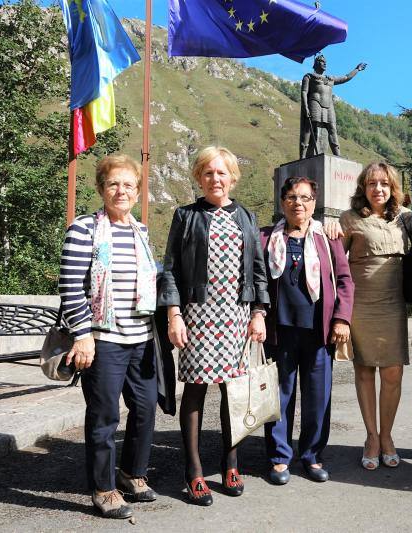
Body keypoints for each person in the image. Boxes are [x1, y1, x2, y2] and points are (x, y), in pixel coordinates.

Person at [159, 146, 269, 506]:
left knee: (233, 392)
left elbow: (257, 269)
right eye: (208, 173)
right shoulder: (186, 216)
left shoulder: (246, 217)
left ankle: (230, 464)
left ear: (232, 177)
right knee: (195, 390)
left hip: (237, 315)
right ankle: (193, 471)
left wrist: (258, 312)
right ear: (198, 177)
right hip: (198, 314)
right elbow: (171, 269)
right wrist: (174, 314)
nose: (215, 179)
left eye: (221, 173)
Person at [59, 154, 160, 519]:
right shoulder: (84, 229)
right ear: (101, 188)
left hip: (141, 338)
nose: (121, 190)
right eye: (114, 184)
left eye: (128, 185)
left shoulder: (141, 230)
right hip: (102, 341)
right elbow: (70, 287)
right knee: (104, 415)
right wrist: (82, 336)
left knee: (146, 407)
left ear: (137, 192)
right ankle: (104, 488)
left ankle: (132, 473)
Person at [259, 177, 354, 485]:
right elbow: (256, 281)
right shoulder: (265, 238)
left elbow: (344, 281)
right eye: (290, 197)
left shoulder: (328, 239)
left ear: (314, 202)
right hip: (280, 330)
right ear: (282, 202)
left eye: (304, 197)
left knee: (318, 397)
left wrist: (342, 318)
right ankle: (279, 457)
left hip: (318, 332)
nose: (297, 202)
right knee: (279, 396)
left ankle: (312, 455)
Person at [339, 162, 412, 470]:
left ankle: (387, 435)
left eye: (384, 184)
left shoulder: (404, 218)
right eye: (372, 184)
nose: (378, 189)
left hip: (393, 304)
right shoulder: (349, 219)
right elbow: (336, 261)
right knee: (364, 372)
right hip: (361, 305)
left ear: (392, 188)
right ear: (364, 187)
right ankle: (371, 436)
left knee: (392, 374)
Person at [299, 54, 366, 158]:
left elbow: (346, 77)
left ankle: (338, 155)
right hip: (315, 103)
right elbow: (304, 92)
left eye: (325, 62)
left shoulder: (331, 79)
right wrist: (305, 107)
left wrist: (357, 69)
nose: (325, 63)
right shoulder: (309, 77)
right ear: (316, 63)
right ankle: (302, 156)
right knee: (309, 128)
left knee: (332, 129)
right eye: (322, 61)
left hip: (329, 106)